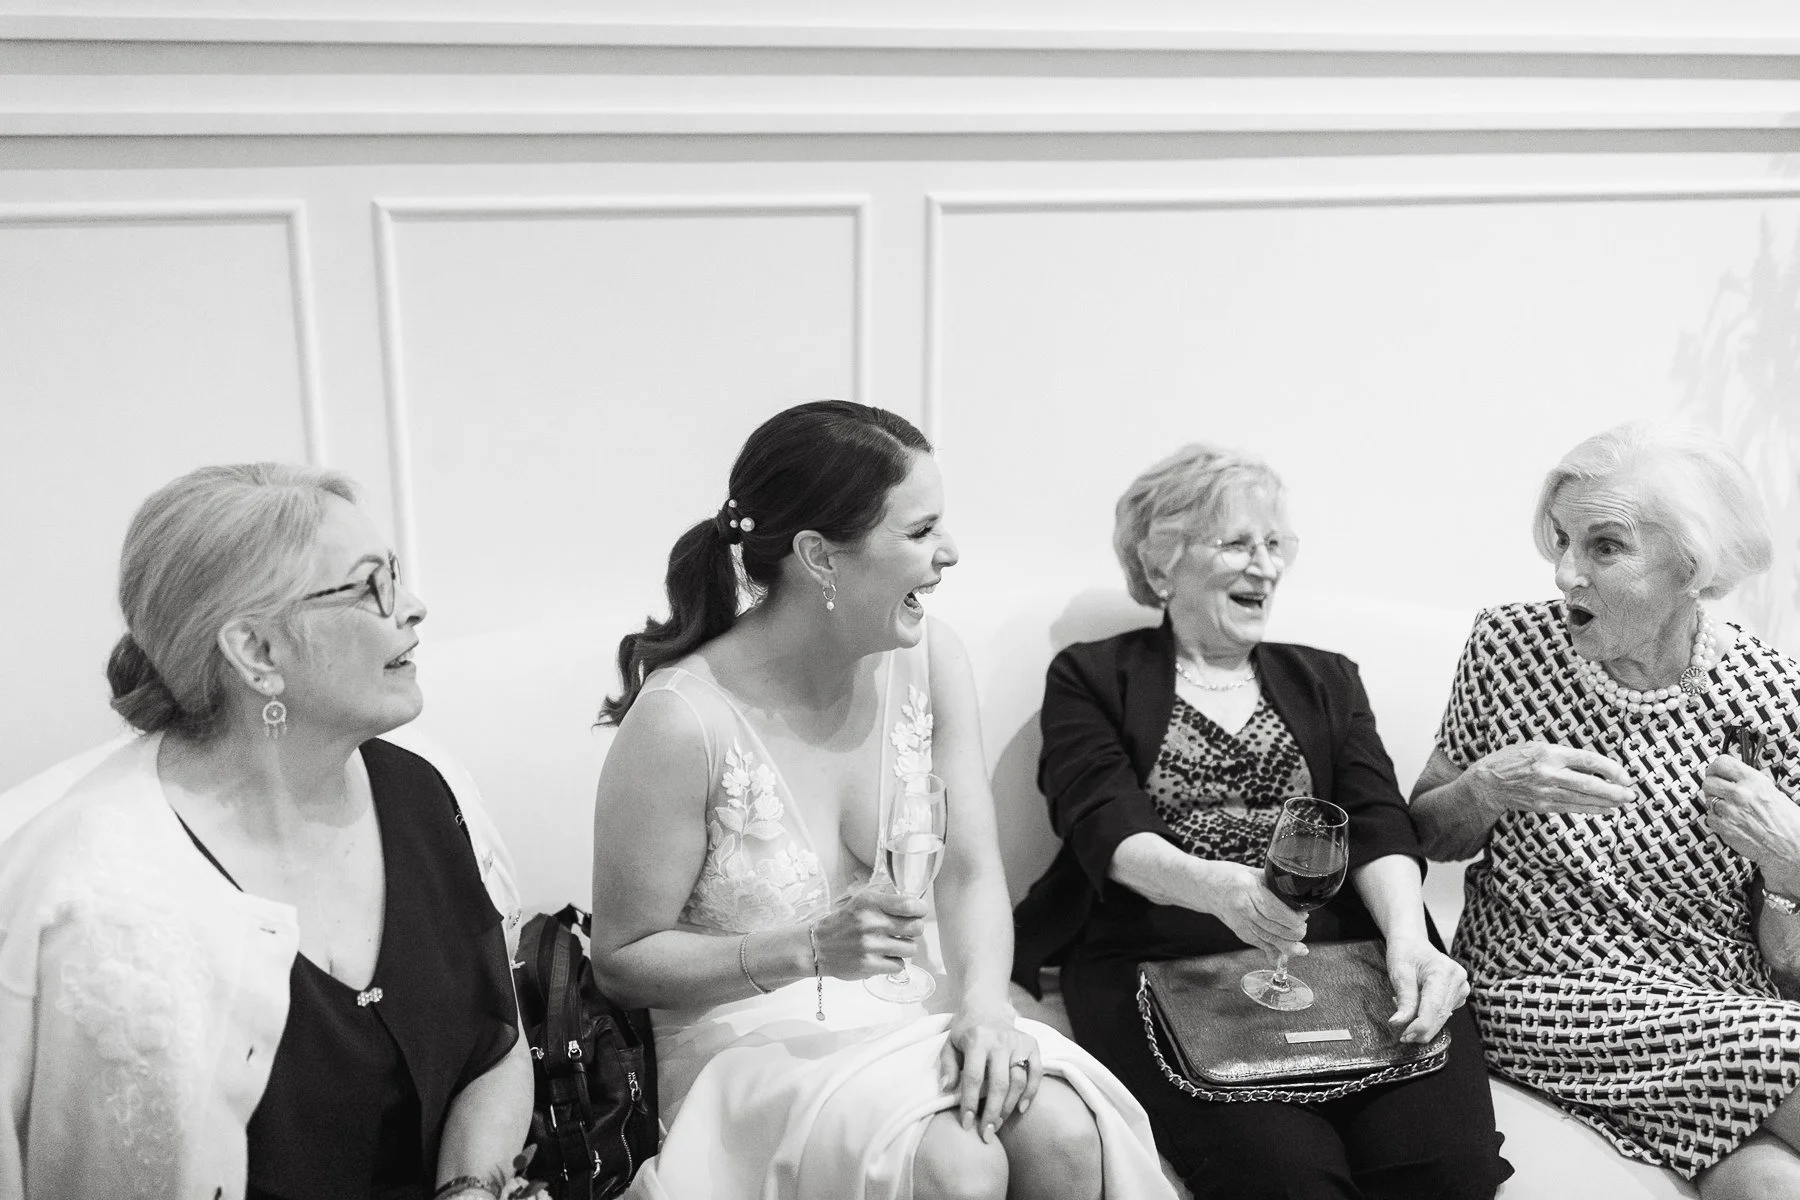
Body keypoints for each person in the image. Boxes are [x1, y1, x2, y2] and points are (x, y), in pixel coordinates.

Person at [591, 401, 1175, 1200]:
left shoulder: (930, 658)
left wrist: (984, 1008)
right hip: (750, 1046)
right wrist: (804, 950)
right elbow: (622, 963)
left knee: (1066, 1133)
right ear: (819, 556)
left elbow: (969, 874)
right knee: (958, 1166)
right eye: (920, 531)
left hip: (920, 1010)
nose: (951, 553)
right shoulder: (681, 719)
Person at [0, 463, 532, 1200]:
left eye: (397, 574)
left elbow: (494, 1049)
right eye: (369, 585)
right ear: (255, 652)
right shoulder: (100, 903)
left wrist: (470, 1188)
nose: (413, 607)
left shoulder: (424, 788)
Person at [1012, 443, 1511, 1200]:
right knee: (1285, 1179)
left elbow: (1376, 820)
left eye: (1276, 544)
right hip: (1162, 951)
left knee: (1447, 1169)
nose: (1266, 566)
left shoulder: (1327, 677)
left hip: (1346, 948)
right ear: (1160, 566)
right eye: (1238, 544)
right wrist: (1218, 888)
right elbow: (1102, 825)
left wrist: (1409, 939)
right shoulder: (1091, 675)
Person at [1411, 421, 1800, 1197]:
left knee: (1768, 1188)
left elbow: (1786, 957)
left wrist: (1790, 858)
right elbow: (1423, 831)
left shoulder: (1776, 694)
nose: (1564, 575)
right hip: (1535, 986)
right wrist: (1489, 786)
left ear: (1692, 566)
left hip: (1716, 1000)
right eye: (1562, 540)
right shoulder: (1508, 648)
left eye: (1603, 547)